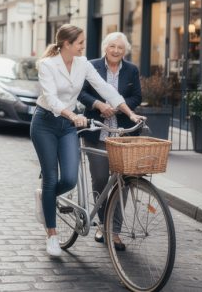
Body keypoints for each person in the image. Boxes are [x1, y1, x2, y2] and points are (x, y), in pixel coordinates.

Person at [32, 24, 143, 257]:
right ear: (67, 44)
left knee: (70, 179)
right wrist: (73, 115)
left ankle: (45, 197)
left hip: (68, 126)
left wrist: (130, 113)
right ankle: (51, 235)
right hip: (45, 124)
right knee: (51, 178)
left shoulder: (82, 64)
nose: (84, 46)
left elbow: (104, 88)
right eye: (80, 43)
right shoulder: (47, 65)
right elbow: (51, 99)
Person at [77, 32, 141, 251]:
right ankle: (101, 224)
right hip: (97, 133)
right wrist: (99, 105)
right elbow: (81, 93)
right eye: (112, 46)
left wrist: (119, 107)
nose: (116, 51)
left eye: (120, 48)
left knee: (122, 183)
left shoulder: (132, 70)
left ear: (125, 51)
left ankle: (114, 231)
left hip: (122, 135)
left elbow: (137, 97)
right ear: (105, 47)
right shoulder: (92, 66)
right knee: (101, 180)